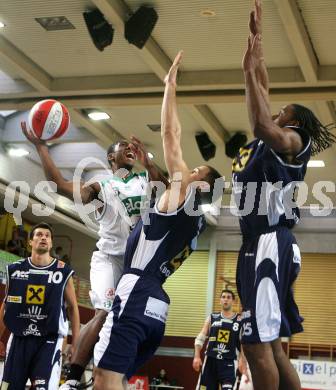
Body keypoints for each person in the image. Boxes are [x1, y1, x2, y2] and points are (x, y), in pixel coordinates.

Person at [93, 51, 222, 390]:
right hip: (157, 304)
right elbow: (165, 188)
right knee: (116, 376)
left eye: (196, 171)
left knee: (104, 375)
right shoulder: (195, 219)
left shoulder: (184, 192)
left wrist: (169, 87)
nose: (188, 169)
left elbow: (169, 133)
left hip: (135, 289)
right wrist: (152, 167)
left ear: (202, 184)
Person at [235, 2, 336, 390]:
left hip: (270, 241)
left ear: (293, 123)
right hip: (260, 242)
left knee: (257, 344)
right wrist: (257, 50)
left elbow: (260, 120)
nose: (275, 111)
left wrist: (247, 73)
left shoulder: (294, 140)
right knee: (271, 345)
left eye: (283, 111)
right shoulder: (277, 141)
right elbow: (262, 90)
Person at [22, 124, 166, 389]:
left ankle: (111, 374)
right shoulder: (102, 186)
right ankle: (73, 378)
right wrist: (41, 147)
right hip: (109, 260)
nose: (129, 149)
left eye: (131, 146)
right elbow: (59, 185)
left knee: (125, 323)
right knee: (103, 313)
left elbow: (167, 188)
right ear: (111, 158)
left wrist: (149, 163)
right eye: (123, 147)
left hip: (135, 266)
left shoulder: (146, 181)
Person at [0, 222, 80, 389]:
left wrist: (76, 344)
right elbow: (6, 304)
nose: (43, 237)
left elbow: (73, 308)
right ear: (30, 242)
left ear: (50, 243)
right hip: (18, 340)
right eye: (38, 234)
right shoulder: (15, 270)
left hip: (48, 341)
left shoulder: (63, 271)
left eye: (47, 236)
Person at [193, 289, 247, 390]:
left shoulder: (240, 320)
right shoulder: (212, 317)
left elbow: (243, 342)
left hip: (229, 362)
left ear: (233, 301)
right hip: (210, 361)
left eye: (228, 297)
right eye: (223, 297)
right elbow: (200, 337)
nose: (225, 299)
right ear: (220, 300)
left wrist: (242, 360)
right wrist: (196, 356)